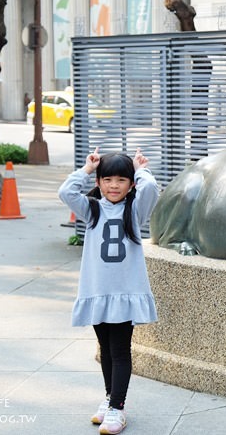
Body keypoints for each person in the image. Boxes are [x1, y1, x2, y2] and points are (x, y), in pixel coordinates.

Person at [58, 147, 159, 435]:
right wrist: (87, 169)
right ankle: (109, 400)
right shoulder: (91, 210)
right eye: (107, 179)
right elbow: (66, 191)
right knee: (105, 350)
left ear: (131, 185)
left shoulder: (135, 209)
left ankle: (118, 408)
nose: (114, 186)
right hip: (98, 292)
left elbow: (151, 187)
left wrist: (140, 168)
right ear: (99, 182)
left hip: (125, 292)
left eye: (121, 180)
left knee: (119, 350)